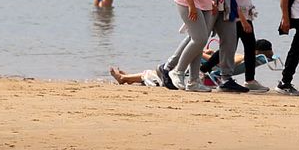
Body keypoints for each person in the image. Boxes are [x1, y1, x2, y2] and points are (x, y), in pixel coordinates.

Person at [110, 39, 273, 86]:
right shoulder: (245, 58)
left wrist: (200, 52)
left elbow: (221, 64)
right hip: (210, 71)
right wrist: (209, 54)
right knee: (159, 73)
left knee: (157, 73)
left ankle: (125, 78)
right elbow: (221, 59)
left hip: (209, 72)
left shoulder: (242, 57)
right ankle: (127, 78)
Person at [220, 0, 267, 92]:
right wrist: (243, 20)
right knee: (232, 47)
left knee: (247, 46)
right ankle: (247, 79)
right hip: (236, 17)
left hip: (246, 16)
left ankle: (249, 79)